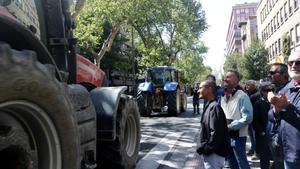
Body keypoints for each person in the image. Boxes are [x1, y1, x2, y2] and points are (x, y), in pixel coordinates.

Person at [267, 50, 300, 168]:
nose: (294, 66)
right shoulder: (285, 89)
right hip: (287, 153)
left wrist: (286, 107)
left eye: (298, 63)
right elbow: (271, 116)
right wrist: (276, 109)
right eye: (291, 63)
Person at [221, 69, 253, 169]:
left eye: (228, 77)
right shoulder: (224, 96)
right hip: (226, 135)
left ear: (236, 80)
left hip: (238, 136)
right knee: (231, 163)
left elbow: (248, 118)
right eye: (225, 77)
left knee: (241, 163)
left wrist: (231, 126)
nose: (225, 79)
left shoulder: (242, 96)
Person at [196, 80, 229, 169]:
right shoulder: (210, 105)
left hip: (214, 154)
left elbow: (216, 133)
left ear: (209, 89)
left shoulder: (215, 107)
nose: (198, 91)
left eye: (200, 88)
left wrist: (207, 149)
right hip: (211, 153)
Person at [267, 63, 289, 169]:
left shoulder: (289, 91)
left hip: (284, 140)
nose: (269, 75)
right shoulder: (276, 90)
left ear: (283, 74)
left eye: (272, 73)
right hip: (274, 137)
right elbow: (272, 115)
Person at [252, 81, 273, 169]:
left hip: (275, 135)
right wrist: (262, 133)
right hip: (263, 136)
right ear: (262, 91)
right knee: (264, 159)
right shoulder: (258, 104)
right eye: (266, 90)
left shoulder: (275, 102)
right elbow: (255, 122)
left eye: (271, 90)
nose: (269, 92)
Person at [244, 80, 260, 157]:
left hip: (255, 118)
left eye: (249, 85)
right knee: (250, 135)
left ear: (253, 86)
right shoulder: (247, 93)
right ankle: (252, 149)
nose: (247, 86)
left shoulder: (257, 94)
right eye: (246, 85)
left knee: (254, 135)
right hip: (249, 117)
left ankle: (257, 152)